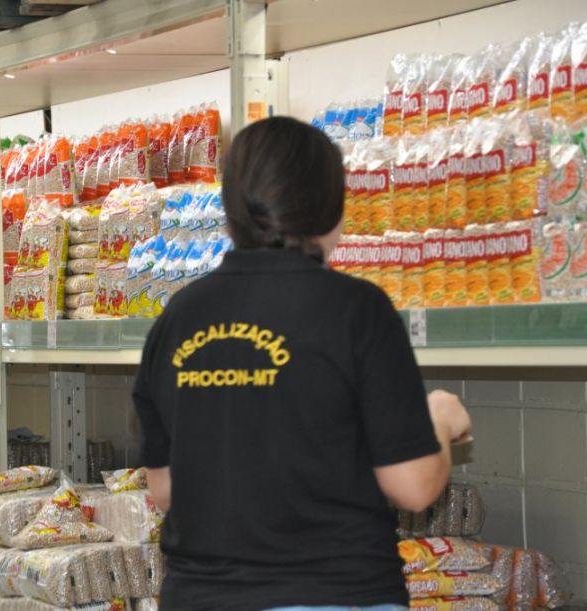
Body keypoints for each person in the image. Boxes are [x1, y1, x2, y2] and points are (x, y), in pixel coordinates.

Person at [132, 116, 472, 611]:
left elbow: (165, 491)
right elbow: (413, 486)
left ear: (231, 208)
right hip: (332, 592)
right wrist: (438, 419)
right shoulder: (357, 309)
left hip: (199, 596)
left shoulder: (179, 316)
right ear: (333, 208)